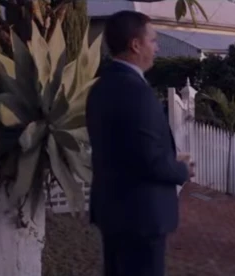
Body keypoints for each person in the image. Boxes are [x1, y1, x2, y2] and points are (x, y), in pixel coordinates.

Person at [86, 11, 194, 276]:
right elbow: (150, 161)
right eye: (153, 40)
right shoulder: (135, 91)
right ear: (135, 45)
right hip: (141, 217)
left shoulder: (100, 87)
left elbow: (124, 150)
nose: (157, 48)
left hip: (114, 211)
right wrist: (182, 170)